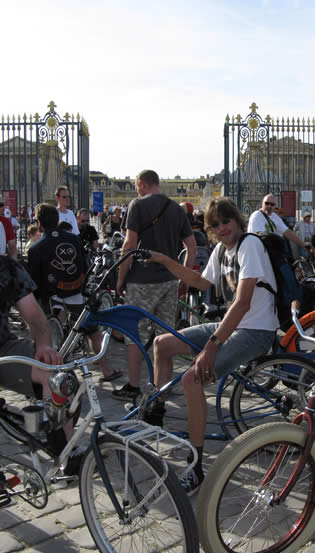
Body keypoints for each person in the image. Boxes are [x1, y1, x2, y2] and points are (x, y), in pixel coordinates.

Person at [145, 197, 278, 493]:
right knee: (162, 344)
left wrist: (212, 345)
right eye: (215, 224)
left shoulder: (250, 245)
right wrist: (165, 260)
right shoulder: (220, 249)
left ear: (237, 221)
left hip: (255, 331)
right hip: (232, 326)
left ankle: (196, 465)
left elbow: (242, 302)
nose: (221, 228)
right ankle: (155, 416)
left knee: (193, 379)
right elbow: (200, 282)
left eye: (226, 221)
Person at [112, 170, 197, 403]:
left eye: (137, 186)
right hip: (169, 281)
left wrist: (121, 277)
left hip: (142, 280)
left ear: (142, 184)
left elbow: (129, 245)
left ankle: (133, 385)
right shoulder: (176, 209)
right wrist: (184, 277)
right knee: (165, 336)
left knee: (134, 335)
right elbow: (191, 245)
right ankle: (163, 388)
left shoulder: (137, 205)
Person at [0, 254, 83, 472]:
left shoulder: (6, 267)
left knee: (59, 376)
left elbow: (35, 317)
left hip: (3, 349)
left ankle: (66, 453)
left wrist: (44, 348)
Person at [28, 204, 121, 382]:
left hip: (52, 297)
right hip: (77, 292)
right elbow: (85, 266)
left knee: (48, 334)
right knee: (92, 331)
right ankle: (106, 370)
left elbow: (35, 281)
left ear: (39, 222)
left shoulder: (36, 248)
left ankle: (49, 375)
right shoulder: (74, 239)